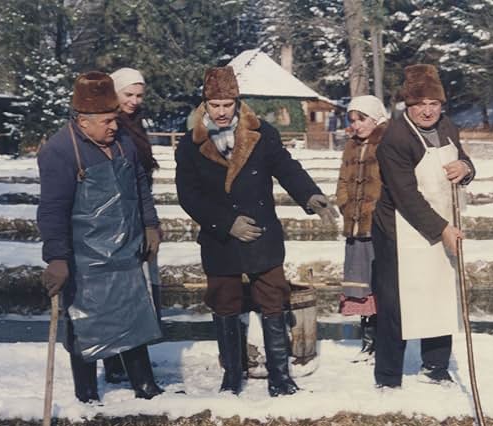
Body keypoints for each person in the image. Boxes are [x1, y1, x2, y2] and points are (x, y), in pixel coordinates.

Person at [175, 65, 337, 397]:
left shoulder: (263, 134)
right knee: (225, 301)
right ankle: (232, 375)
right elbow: (188, 195)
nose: (221, 112)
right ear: (205, 104)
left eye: (227, 104)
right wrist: (225, 222)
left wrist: (310, 194)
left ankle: (280, 375)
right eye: (215, 105)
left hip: (261, 234)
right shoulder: (190, 145)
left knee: (273, 298)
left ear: (238, 102)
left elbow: (286, 167)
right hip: (220, 238)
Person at [37, 71, 164, 402]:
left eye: (115, 119)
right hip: (85, 258)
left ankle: (145, 386)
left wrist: (150, 224)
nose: (114, 125)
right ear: (82, 122)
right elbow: (52, 211)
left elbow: (139, 185)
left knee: (133, 315)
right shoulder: (60, 151)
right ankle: (88, 393)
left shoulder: (123, 142)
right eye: (107, 120)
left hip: (125, 250)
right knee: (84, 324)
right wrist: (57, 259)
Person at [372, 64, 475, 388]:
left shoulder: (447, 127)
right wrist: (442, 230)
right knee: (396, 301)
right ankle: (388, 376)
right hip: (400, 228)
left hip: (442, 218)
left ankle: (436, 365)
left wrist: (466, 167)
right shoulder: (395, 138)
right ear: (408, 106)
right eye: (420, 105)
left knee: (439, 292)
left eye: (434, 103)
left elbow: (465, 162)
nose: (428, 111)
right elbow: (406, 196)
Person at [99, 67, 162, 385]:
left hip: (139, 216)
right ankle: (115, 363)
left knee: (135, 293)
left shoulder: (134, 125)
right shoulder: (110, 126)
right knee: (117, 293)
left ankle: (125, 361)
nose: (135, 101)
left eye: (139, 95)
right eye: (128, 94)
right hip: (115, 221)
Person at [334, 95, 389, 358]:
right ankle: (367, 341)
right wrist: (345, 205)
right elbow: (342, 182)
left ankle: (383, 341)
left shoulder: (388, 144)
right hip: (354, 228)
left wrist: (377, 212)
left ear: (376, 118)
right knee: (360, 286)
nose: (355, 125)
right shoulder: (351, 147)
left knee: (380, 284)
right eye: (352, 119)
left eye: (361, 118)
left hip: (378, 227)